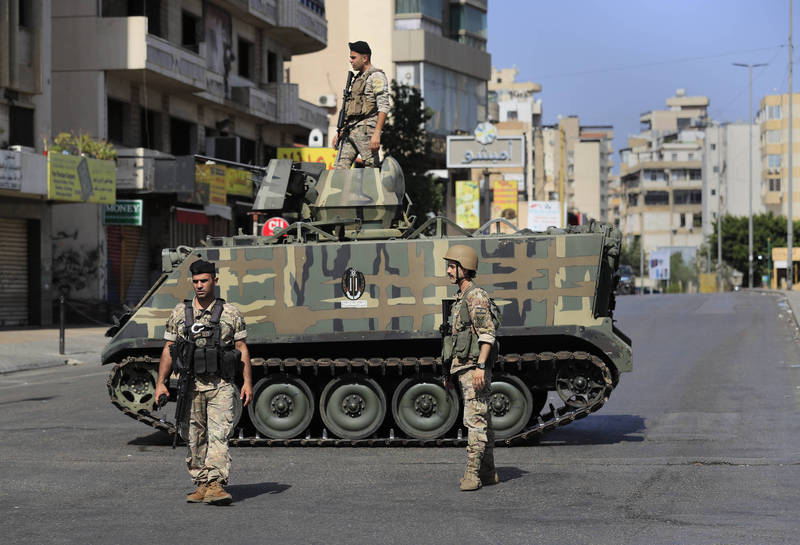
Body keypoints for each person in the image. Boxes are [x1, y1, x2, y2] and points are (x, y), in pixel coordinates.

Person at [153, 259, 253, 505]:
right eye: (196, 281)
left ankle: (217, 483)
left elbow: (241, 348)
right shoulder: (180, 313)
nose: (199, 285)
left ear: (214, 281)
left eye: (204, 281)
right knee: (193, 437)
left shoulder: (230, 313)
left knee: (219, 435)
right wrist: (161, 382)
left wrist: (247, 382)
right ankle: (202, 483)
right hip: (191, 386)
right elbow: (168, 348)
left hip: (220, 385)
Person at [442, 245, 498, 491]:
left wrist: (480, 367)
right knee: (483, 419)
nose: (448, 271)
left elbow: (487, 334)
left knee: (475, 421)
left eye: (452, 266)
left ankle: (473, 475)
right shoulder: (461, 297)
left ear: (465, 268)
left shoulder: (475, 296)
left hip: (474, 368)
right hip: (463, 367)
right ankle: (488, 473)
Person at [332, 40, 390, 169]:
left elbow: (384, 106)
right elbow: (351, 109)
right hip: (350, 131)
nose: (350, 61)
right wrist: (340, 132)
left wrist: (377, 133)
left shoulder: (376, 76)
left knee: (371, 169)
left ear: (365, 58)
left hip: (366, 130)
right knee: (338, 170)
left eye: (353, 57)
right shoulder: (357, 79)